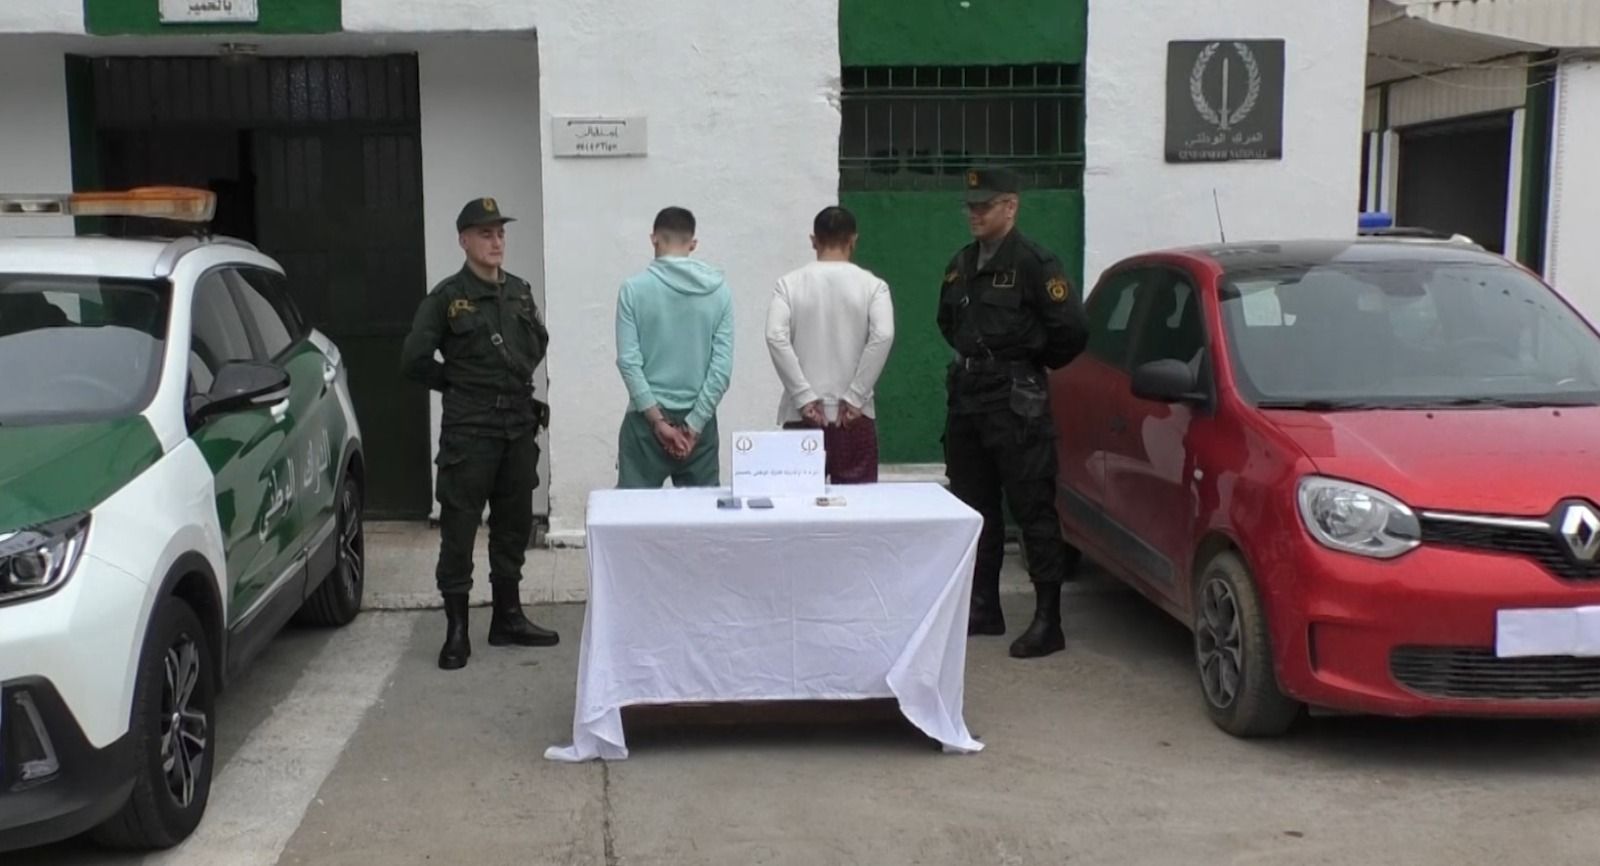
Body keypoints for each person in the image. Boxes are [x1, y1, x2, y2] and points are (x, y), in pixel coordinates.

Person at [400, 196, 559, 671]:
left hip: (517, 427)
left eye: (501, 233)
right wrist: (456, 382)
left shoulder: (520, 292)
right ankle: (457, 629)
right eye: (486, 234)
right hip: (469, 431)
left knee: (513, 526)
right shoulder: (447, 299)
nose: (496, 242)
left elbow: (536, 345)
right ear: (464, 240)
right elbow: (413, 360)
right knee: (459, 530)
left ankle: (508, 617)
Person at [938, 168, 1089, 659]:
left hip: (1015, 403)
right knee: (974, 506)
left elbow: (1071, 330)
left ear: (1011, 206)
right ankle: (984, 606)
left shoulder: (1034, 264)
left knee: (1032, 507)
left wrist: (1026, 363)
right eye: (971, 206)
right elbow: (948, 322)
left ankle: (1048, 620)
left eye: (985, 205)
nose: (975, 213)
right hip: (968, 399)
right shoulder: (961, 263)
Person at [765, 205, 895, 483]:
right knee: (856, 504)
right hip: (854, 416)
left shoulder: (788, 284)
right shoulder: (874, 286)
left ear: (814, 240)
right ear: (853, 240)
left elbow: (775, 336)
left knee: (797, 502)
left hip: (802, 415)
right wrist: (856, 396)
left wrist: (803, 396)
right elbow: (883, 335)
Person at [614, 206, 734, 487]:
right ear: (693, 244)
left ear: (653, 238)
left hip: (644, 421)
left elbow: (629, 362)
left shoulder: (633, 290)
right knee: (701, 513)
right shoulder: (719, 292)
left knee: (635, 512)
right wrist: (695, 424)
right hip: (700, 421)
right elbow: (721, 370)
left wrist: (657, 420)